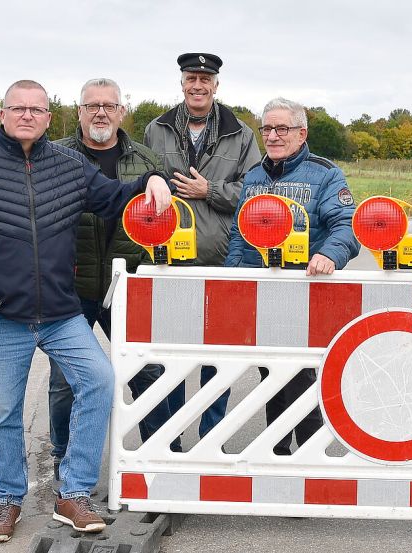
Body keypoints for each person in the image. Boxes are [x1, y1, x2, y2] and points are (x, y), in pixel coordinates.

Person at [0, 79, 172, 543]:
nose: (27, 116)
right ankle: (7, 500)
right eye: (17, 108)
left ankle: (74, 492)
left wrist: (152, 180)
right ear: (1, 115)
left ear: (48, 117)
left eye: (36, 110)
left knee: (99, 382)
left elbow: (112, 197)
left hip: (62, 311)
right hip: (1, 315)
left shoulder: (70, 166)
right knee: (4, 410)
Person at [47, 78, 171, 476]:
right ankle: (62, 458)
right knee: (66, 379)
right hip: (72, 286)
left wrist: (161, 181)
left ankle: (159, 451)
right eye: (91, 105)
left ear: (122, 112)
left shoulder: (148, 163)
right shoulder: (55, 157)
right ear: (78, 112)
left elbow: (165, 224)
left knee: (147, 370)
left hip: (127, 286)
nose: (100, 112)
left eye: (108, 105)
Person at [225, 97, 360, 455]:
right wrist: (230, 280)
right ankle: (280, 452)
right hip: (262, 293)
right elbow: (240, 234)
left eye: (281, 128)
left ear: (302, 133)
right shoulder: (254, 175)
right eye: (267, 128)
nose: (272, 136)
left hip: (306, 295)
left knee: (302, 376)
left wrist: (328, 254)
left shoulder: (326, 174)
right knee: (270, 375)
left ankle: (306, 456)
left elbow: (347, 226)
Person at [144, 53, 261, 444]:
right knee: (172, 355)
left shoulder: (241, 134)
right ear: (181, 83)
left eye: (205, 79)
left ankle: (212, 435)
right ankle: (172, 438)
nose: (198, 85)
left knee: (217, 354)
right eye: (191, 78)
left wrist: (208, 190)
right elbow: (142, 180)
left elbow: (255, 192)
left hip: (222, 258)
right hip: (168, 260)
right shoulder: (155, 130)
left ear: (216, 85)